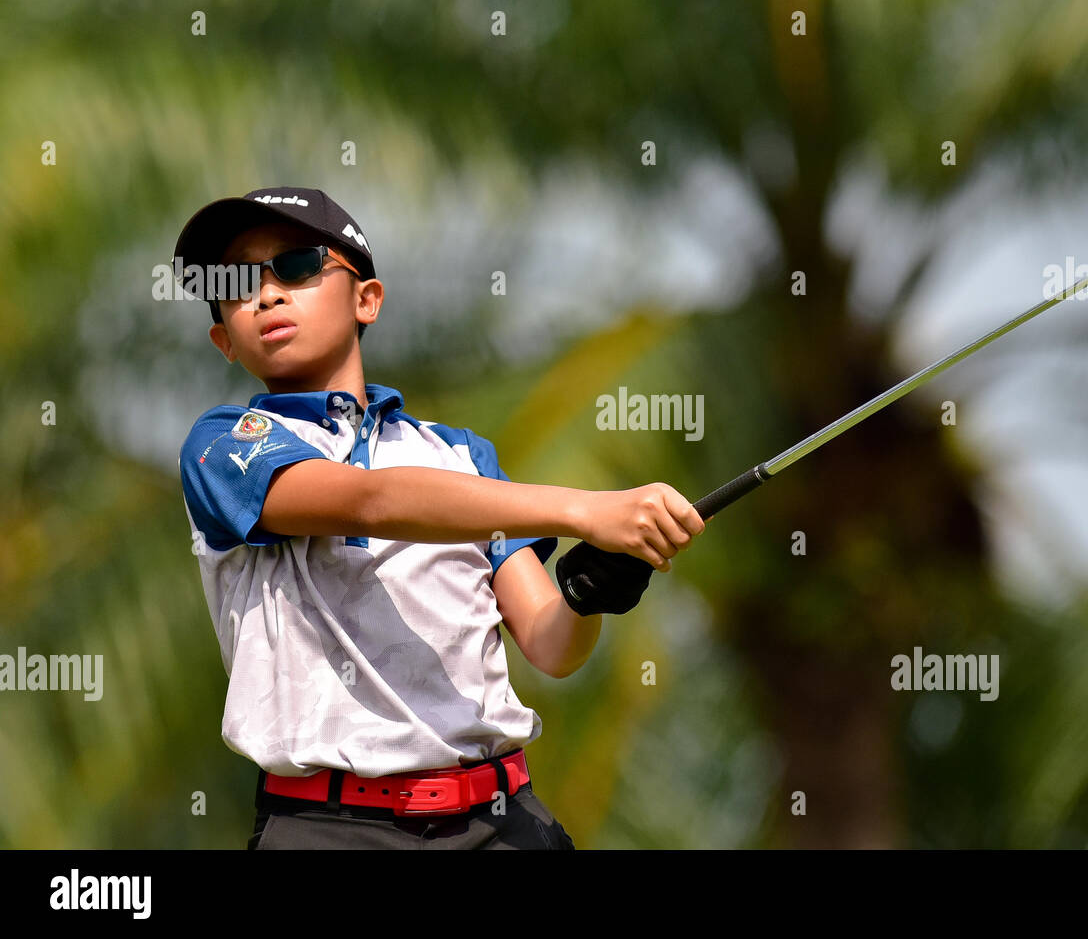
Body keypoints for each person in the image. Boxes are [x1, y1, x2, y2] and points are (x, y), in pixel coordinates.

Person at [172, 187, 707, 849]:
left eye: (299, 265)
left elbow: (550, 644)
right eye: (237, 281)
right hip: (326, 831)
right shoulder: (223, 444)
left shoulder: (459, 456)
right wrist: (585, 509)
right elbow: (374, 500)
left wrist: (590, 591)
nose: (268, 293)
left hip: (502, 822)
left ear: (367, 298)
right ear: (223, 337)